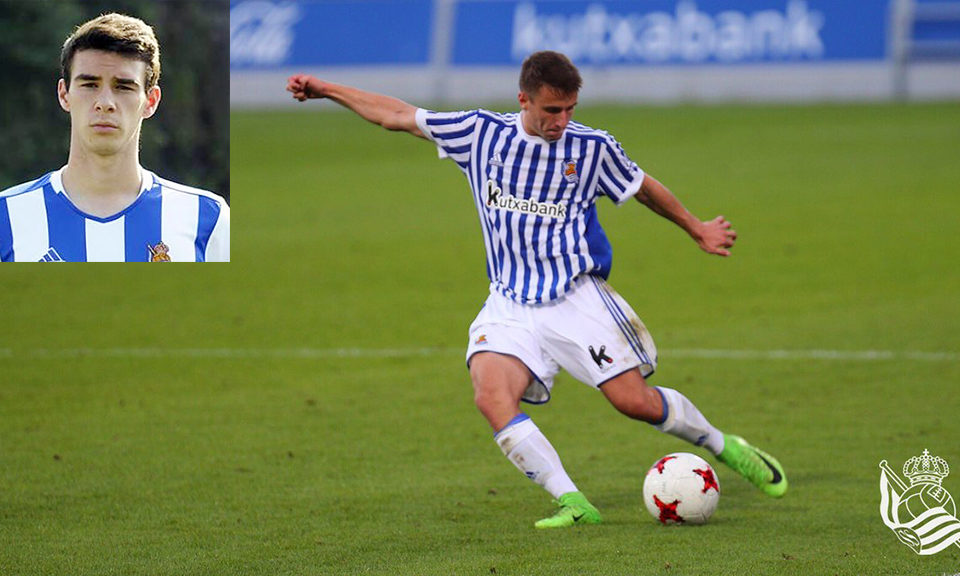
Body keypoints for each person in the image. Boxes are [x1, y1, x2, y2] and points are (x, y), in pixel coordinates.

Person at [286, 51, 787, 528]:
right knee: (491, 395)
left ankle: (725, 446)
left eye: (570, 109)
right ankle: (572, 500)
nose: (562, 120)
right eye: (552, 109)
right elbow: (395, 114)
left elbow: (642, 187)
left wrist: (695, 226)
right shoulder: (480, 134)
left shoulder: (591, 148)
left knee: (633, 402)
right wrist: (327, 89)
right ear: (523, 99)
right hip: (508, 302)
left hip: (575, 299)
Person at [0, 13, 229, 262]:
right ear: (64, 95)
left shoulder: (206, 219)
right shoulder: (7, 217)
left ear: (150, 101)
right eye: (89, 85)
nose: (105, 103)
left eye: (123, 87)